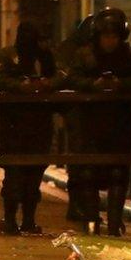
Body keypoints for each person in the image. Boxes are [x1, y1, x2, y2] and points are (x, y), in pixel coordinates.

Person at [65, 8, 131, 236]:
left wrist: (121, 84)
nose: (110, 41)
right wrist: (93, 85)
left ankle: (115, 221)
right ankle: (92, 219)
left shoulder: (127, 55)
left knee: (118, 172)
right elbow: (73, 78)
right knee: (88, 171)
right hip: (89, 123)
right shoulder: (85, 55)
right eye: (106, 36)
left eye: (114, 36)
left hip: (118, 122)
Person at [0, 19, 59, 235]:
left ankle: (28, 220)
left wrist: (47, 84)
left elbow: (62, 76)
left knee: (34, 175)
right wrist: (20, 86)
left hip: (40, 124)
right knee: (14, 175)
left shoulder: (46, 57)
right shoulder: (8, 56)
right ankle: (10, 220)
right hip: (14, 124)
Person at [54, 15, 94, 222]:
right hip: (79, 113)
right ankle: (79, 205)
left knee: (88, 161)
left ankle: (86, 206)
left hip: (97, 114)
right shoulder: (71, 51)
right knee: (79, 160)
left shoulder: (70, 49)